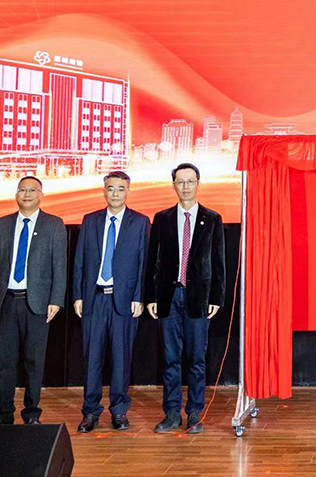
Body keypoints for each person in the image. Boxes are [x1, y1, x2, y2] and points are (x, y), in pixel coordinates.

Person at [146, 163, 226, 434]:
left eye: (190, 181)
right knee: (170, 358)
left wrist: (216, 297)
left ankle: (194, 412)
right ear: (174, 186)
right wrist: (151, 296)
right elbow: (153, 260)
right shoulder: (162, 218)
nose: (186, 186)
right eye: (180, 182)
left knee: (196, 359)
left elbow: (218, 262)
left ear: (198, 184)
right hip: (168, 297)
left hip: (198, 299)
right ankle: (171, 413)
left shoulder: (212, 218)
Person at [0, 176, 67, 425]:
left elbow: (59, 266)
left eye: (32, 190)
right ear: (16, 194)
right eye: (22, 190)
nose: (27, 194)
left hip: (37, 304)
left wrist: (56, 299)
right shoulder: (2, 224)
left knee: (34, 362)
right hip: (6, 302)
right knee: (4, 362)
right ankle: (3, 413)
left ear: (41, 195)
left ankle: (31, 414)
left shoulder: (54, 225)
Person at [72, 171, 150, 433]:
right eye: (111, 188)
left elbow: (143, 263)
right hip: (94, 298)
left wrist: (139, 296)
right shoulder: (90, 220)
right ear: (104, 191)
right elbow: (80, 260)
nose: (115, 193)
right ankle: (90, 412)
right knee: (91, 358)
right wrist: (78, 295)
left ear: (128, 191)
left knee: (121, 358)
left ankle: (119, 410)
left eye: (120, 189)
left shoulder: (140, 222)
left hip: (124, 301)